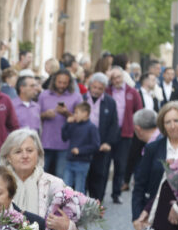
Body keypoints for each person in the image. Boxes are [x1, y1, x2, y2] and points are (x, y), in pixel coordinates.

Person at [106, 66, 143, 203]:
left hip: (125, 133)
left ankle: (116, 193)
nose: (116, 80)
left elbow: (139, 111)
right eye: (113, 78)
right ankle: (99, 195)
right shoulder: (107, 91)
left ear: (123, 77)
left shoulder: (132, 92)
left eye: (118, 77)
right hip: (108, 134)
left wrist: (136, 128)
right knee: (104, 165)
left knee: (120, 165)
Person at [39, 68, 83, 178]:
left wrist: (67, 113)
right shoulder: (44, 95)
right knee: (41, 176)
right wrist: (44, 115)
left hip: (65, 144)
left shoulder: (76, 96)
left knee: (60, 177)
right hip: (45, 142)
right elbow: (35, 116)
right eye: (59, 82)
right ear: (54, 81)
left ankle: (59, 196)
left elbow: (82, 119)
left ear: (69, 83)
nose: (61, 85)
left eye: (65, 83)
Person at [84, 73, 120, 201]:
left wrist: (108, 143)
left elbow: (114, 124)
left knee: (99, 175)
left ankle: (96, 204)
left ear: (104, 88)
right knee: (83, 175)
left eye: (100, 88)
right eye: (94, 87)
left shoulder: (110, 102)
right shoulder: (82, 99)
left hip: (101, 145)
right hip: (83, 145)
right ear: (90, 86)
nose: (96, 91)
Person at [61, 102, 100, 192]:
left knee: (79, 188)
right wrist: (66, 124)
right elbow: (64, 137)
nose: (74, 115)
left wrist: (80, 150)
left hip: (82, 163)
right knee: (66, 188)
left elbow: (95, 146)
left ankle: (80, 206)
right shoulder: (74, 125)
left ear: (85, 113)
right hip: (70, 161)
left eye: (76, 113)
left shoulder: (92, 127)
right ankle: (66, 205)